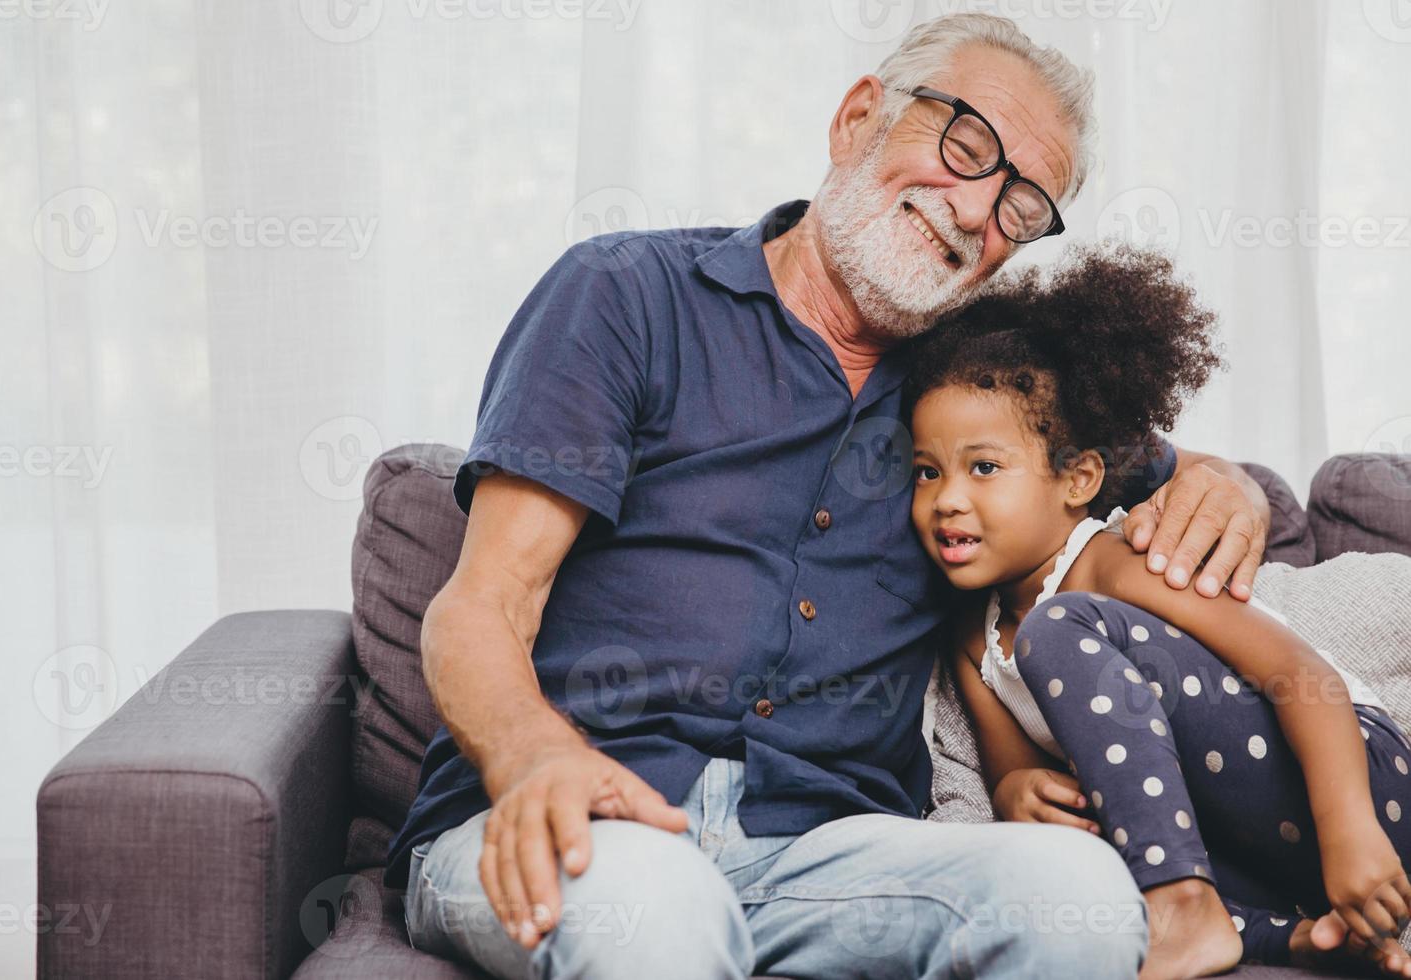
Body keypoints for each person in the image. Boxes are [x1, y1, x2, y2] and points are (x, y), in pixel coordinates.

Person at [388, 13, 1274, 978]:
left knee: (1081, 899)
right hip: (581, 812)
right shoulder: (627, 295)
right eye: (964, 146)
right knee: (659, 911)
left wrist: (1226, 483)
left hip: (829, 853)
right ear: (857, 119)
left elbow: (1156, 465)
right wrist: (534, 759)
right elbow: (481, 604)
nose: (978, 211)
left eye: (1021, 209)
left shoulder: (985, 400)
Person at [907, 242, 1411, 977]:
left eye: (984, 467)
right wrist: (1020, 793)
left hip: (1361, 783)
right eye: (927, 471)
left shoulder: (1113, 561)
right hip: (1265, 860)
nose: (947, 497)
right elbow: (1011, 777)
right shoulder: (970, 639)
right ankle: (1287, 936)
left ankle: (1183, 906)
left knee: (1059, 627)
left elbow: (1299, 674)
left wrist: (1349, 829)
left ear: (1077, 479)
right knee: (1100, 839)